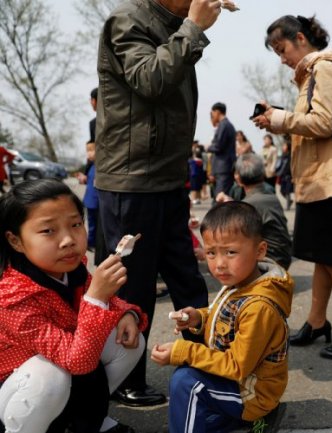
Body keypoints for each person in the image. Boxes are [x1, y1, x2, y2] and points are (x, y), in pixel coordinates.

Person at [94, 0, 220, 406]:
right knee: (133, 284)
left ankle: (206, 365)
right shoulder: (127, 19)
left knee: (187, 277)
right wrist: (195, 27)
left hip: (166, 178)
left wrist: (189, 27)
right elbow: (149, 79)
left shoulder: (173, 23)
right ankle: (125, 380)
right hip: (131, 180)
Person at [252, 15, 332, 360]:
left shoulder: (327, 69)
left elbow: (323, 122)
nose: (282, 57)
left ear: (300, 38)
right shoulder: (310, 76)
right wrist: (281, 121)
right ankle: (317, 322)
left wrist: (279, 118)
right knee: (322, 258)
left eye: (282, 48)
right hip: (318, 182)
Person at [0, 179, 147, 433]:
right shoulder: (11, 296)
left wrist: (127, 313)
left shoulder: (71, 269)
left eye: (76, 224)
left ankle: (87, 418)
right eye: (48, 231)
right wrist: (95, 298)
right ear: (16, 241)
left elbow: (109, 301)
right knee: (49, 377)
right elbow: (77, 361)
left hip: (66, 361)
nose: (68, 239)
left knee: (128, 338)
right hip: (15, 386)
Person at [151, 201, 292, 433]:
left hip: (252, 394)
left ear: (260, 251)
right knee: (193, 404)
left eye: (230, 252)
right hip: (240, 382)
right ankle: (242, 420)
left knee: (187, 383)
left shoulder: (259, 307)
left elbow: (237, 366)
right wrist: (199, 318)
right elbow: (227, 318)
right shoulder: (243, 281)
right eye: (211, 253)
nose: (220, 264)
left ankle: (258, 414)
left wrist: (183, 351)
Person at [217, 153, 293, 270]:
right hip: (283, 258)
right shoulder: (270, 197)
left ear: (238, 178)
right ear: (263, 174)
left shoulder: (248, 205)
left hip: (269, 262)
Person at [208, 102, 237, 199]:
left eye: (212, 113)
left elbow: (218, 146)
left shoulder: (224, 125)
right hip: (223, 167)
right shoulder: (227, 125)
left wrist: (207, 147)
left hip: (223, 167)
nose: (212, 116)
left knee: (221, 198)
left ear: (217, 112)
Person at [82, 141, 99, 251]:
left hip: (97, 201)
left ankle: (93, 242)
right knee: (92, 224)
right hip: (91, 201)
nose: (89, 154)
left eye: (91, 150)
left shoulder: (99, 167)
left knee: (96, 224)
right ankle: (90, 243)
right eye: (87, 151)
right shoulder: (91, 166)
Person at [276, 136, 293, 210]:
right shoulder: (283, 156)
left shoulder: (291, 156)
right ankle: (290, 201)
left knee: (288, 191)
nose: (283, 147)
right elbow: (280, 165)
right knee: (282, 191)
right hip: (283, 176)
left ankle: (288, 206)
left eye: (284, 146)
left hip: (289, 176)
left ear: (288, 147)